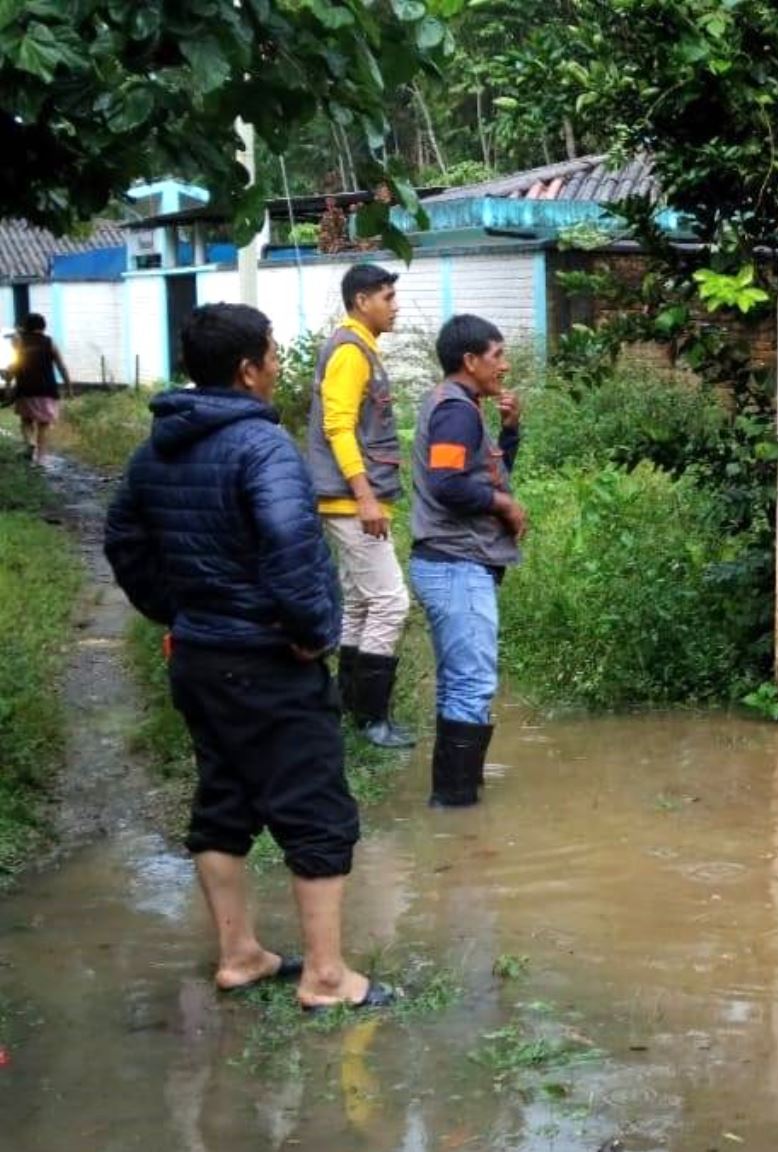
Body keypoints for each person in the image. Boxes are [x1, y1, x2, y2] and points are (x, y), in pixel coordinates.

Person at [103, 302, 393, 1011]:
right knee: (316, 809)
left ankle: (239, 954)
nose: (275, 365)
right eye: (270, 353)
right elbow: (292, 547)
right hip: (266, 661)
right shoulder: (261, 448)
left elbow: (123, 541)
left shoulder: (155, 448)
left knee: (224, 800)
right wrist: (312, 631)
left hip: (199, 657)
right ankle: (325, 976)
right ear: (247, 369)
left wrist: (178, 611)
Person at [409, 315, 527, 807]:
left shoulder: (463, 407)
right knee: (472, 683)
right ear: (470, 360)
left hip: (453, 563)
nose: (505, 364)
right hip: (455, 564)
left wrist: (511, 430)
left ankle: (457, 798)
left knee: (460, 684)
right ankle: (455, 805)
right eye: (497, 355)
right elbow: (449, 484)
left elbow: (486, 475)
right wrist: (505, 506)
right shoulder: (455, 412)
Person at [306, 263, 414, 749]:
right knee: (391, 602)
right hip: (352, 501)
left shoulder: (357, 347)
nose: (394, 306)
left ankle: (349, 710)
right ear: (360, 301)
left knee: (361, 604)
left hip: (346, 499)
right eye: (386, 298)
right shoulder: (350, 351)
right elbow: (338, 427)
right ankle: (374, 720)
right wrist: (364, 495)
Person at [10, 313, 70, 465]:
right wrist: (68, 386)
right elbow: (61, 365)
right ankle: (41, 458)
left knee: (26, 419)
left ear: (26, 326)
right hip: (47, 389)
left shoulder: (19, 340)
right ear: (43, 326)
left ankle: (29, 443)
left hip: (25, 388)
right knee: (43, 424)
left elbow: (16, 363)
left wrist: (9, 380)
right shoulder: (49, 342)